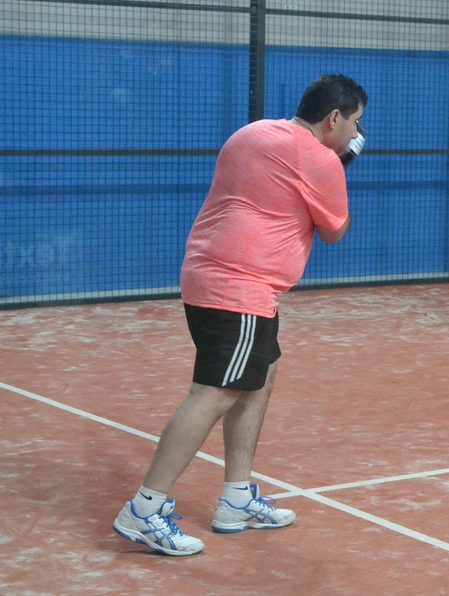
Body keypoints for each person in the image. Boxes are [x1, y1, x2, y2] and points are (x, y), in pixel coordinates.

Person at [112, 74, 367, 556]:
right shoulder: (318, 159)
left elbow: (276, 190)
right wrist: (343, 162)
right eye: (354, 122)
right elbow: (335, 230)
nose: (356, 130)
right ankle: (144, 509)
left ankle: (236, 498)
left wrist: (336, 158)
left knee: (259, 378)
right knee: (214, 393)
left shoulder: (253, 132)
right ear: (334, 118)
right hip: (239, 286)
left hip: (210, 275)